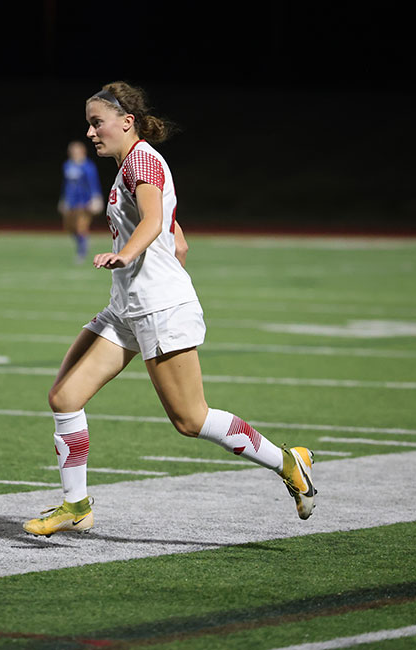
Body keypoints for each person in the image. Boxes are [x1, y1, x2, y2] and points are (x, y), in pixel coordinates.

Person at [24, 82, 316, 537]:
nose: (91, 130)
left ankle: (287, 461)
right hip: (127, 308)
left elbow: (156, 223)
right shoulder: (130, 166)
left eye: (97, 122)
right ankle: (75, 506)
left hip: (158, 309)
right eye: (89, 122)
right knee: (64, 397)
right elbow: (177, 238)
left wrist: (128, 255)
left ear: (127, 123)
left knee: (190, 419)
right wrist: (151, 259)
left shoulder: (141, 160)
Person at [58, 140, 103, 263]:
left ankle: (82, 251)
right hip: (71, 201)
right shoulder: (67, 165)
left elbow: (93, 183)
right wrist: (63, 200)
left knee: (80, 227)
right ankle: (83, 242)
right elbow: (66, 185)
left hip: (84, 202)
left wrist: (96, 198)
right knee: (70, 227)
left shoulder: (88, 166)